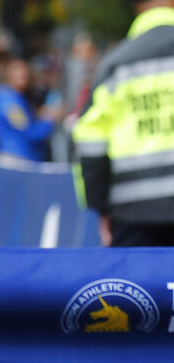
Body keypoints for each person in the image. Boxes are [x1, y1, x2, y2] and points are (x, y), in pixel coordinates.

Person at [72, 0, 174, 247]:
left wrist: (100, 206)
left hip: (132, 211)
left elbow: (90, 138)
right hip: (132, 210)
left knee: (137, 285)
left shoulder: (115, 63)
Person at [0, 57, 58, 161]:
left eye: (25, 71)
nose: (23, 75)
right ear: (8, 74)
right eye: (18, 71)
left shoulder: (18, 97)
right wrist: (48, 120)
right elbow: (28, 132)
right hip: (17, 160)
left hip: (23, 158)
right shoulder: (8, 101)